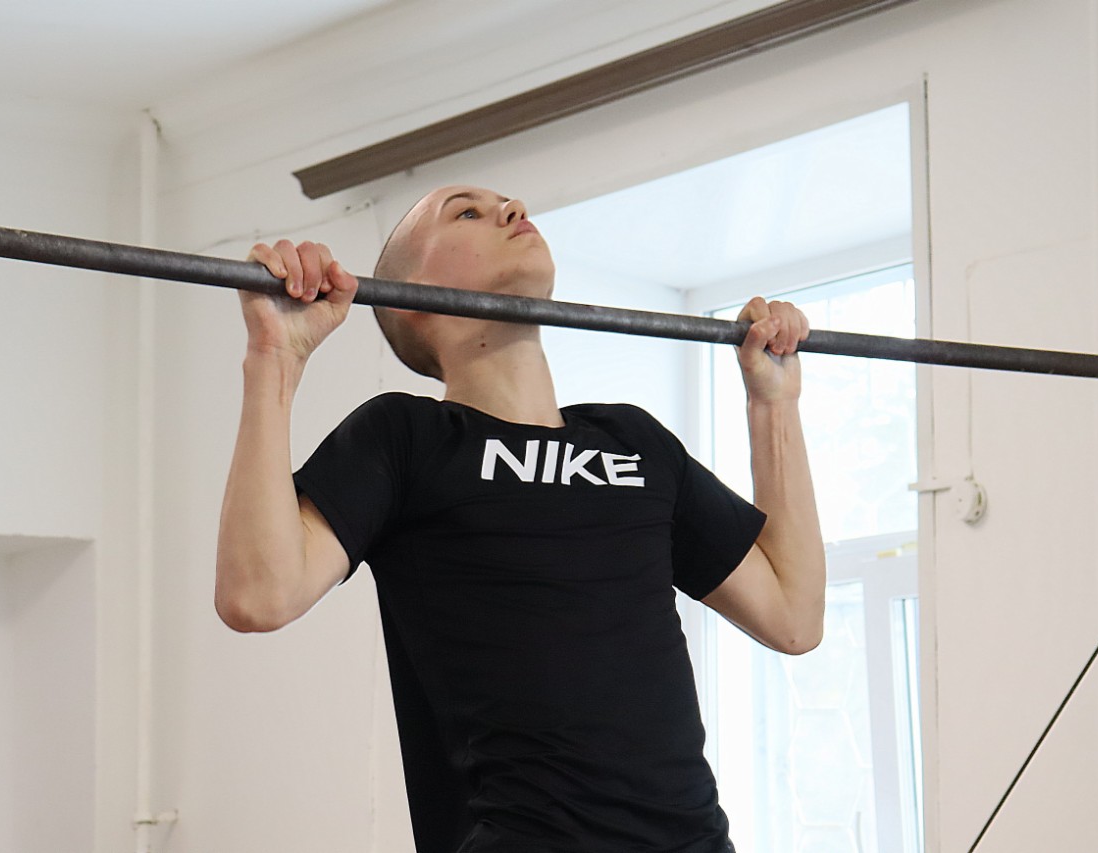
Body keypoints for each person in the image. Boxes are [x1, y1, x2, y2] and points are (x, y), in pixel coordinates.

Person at [215, 185, 827, 853]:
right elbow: (259, 595)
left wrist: (774, 404)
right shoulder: (408, 437)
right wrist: (274, 356)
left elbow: (793, 617)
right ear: (409, 298)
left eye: (506, 203)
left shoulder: (636, 442)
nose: (512, 210)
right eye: (466, 212)